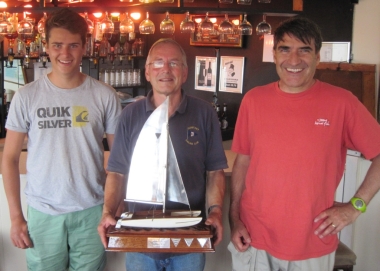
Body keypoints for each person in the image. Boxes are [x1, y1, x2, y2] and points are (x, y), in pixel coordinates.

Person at [229, 16, 380, 271]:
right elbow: (243, 161)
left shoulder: (342, 102)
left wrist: (355, 207)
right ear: (275, 55)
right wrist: (234, 218)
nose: (294, 60)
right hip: (255, 237)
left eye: (304, 50)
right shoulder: (254, 100)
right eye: (285, 49)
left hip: (312, 241)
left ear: (318, 57)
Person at [2, 8, 121, 271]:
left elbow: (118, 160)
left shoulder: (104, 96)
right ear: (46, 46)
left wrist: (115, 207)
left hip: (92, 211)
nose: (64, 54)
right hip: (43, 212)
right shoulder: (27, 96)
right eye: (57, 45)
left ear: (84, 46)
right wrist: (16, 217)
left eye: (73, 45)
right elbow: (9, 159)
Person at [97, 38, 227, 271]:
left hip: (189, 241)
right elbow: (116, 172)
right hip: (139, 241)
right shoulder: (130, 115)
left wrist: (216, 211)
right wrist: (107, 212)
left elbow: (215, 171)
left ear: (185, 73)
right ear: (147, 72)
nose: (165, 69)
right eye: (158, 63)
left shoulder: (204, 113)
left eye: (174, 63)